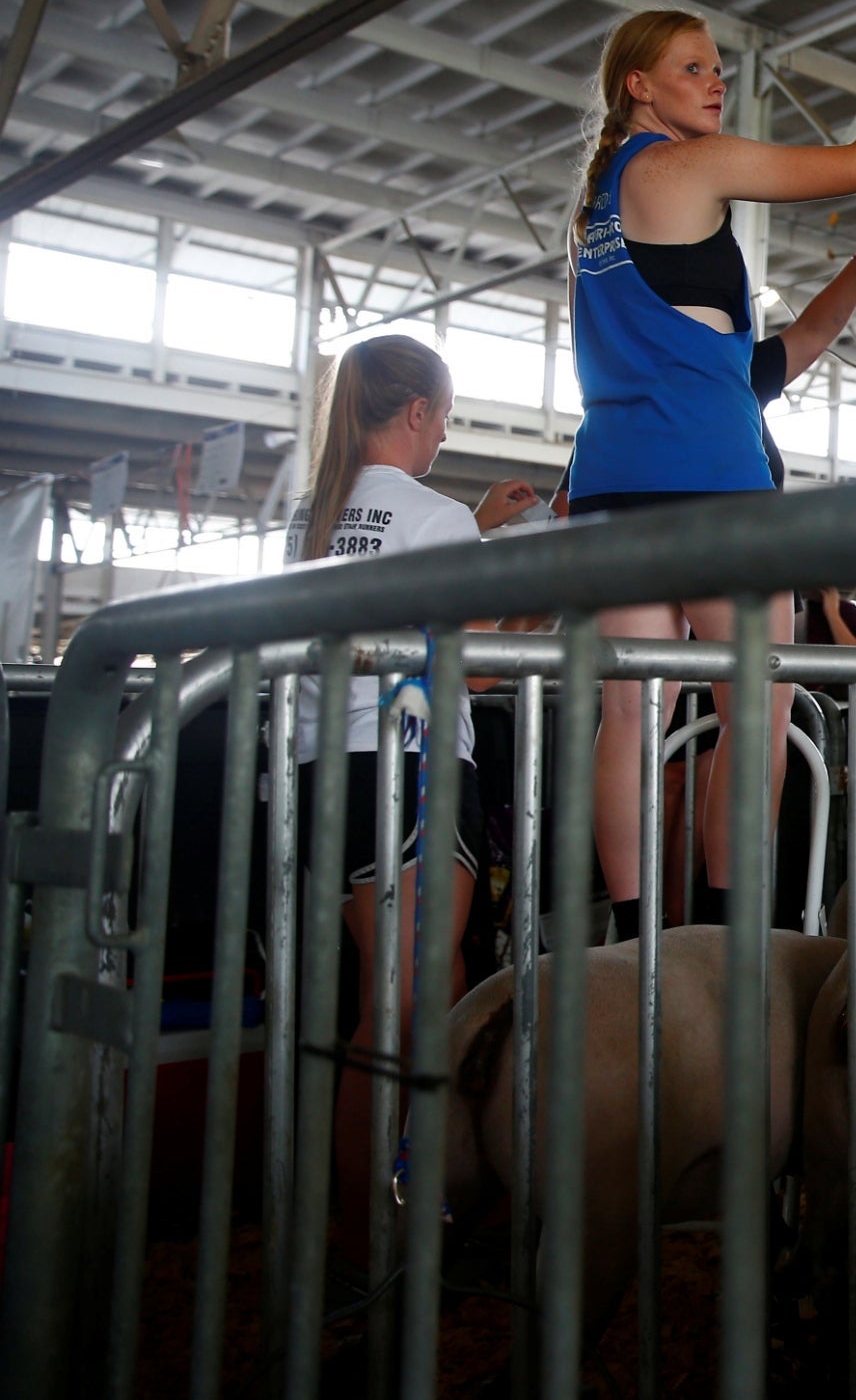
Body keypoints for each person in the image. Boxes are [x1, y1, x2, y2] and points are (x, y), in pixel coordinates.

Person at [569, 0, 856, 939]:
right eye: (693, 66)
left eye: (716, 63)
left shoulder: (600, 218)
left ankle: (632, 931)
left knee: (632, 716)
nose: (716, 79)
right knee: (755, 713)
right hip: (716, 487)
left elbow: (773, 358)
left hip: (613, 482)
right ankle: (733, 924)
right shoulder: (686, 167)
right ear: (639, 86)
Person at [281, 332, 539, 1260]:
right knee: (408, 1008)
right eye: (445, 416)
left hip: (331, 774)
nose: (441, 434)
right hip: (415, 768)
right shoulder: (436, 520)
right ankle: (377, 1233)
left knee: (392, 1001)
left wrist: (474, 524)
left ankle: (383, 1217)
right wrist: (533, 601)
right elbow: (464, 673)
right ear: (421, 414)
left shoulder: (313, 515)